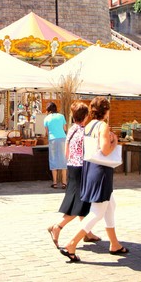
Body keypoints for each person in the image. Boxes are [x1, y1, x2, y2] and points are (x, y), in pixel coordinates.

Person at [59, 97, 128, 262]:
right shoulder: (103, 126)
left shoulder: (88, 125)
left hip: (90, 170)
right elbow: (105, 150)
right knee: (97, 212)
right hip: (101, 172)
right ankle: (71, 244)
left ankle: (114, 243)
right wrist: (115, 142)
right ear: (106, 111)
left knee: (110, 205)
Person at [47, 101, 100, 248]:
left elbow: (67, 151)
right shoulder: (84, 132)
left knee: (80, 202)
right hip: (81, 168)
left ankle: (87, 233)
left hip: (72, 166)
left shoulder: (71, 130)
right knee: (81, 203)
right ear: (86, 116)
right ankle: (57, 227)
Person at [44, 102, 67, 189]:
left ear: (48, 110)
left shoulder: (46, 118)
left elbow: (46, 132)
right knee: (63, 159)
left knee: (53, 159)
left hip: (52, 139)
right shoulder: (61, 116)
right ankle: (64, 182)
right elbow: (65, 129)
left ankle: (55, 183)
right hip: (62, 138)